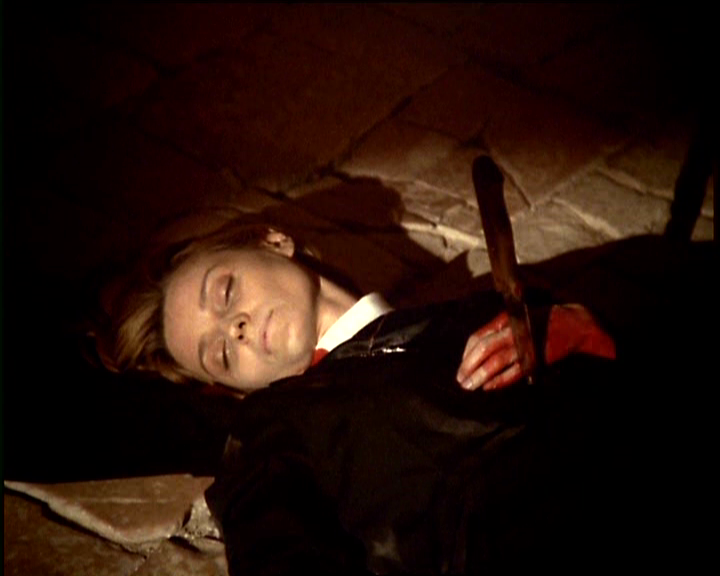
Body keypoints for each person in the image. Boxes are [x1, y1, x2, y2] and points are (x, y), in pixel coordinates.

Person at [96, 210, 710, 574]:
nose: (231, 328)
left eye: (224, 292)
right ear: (234, 389)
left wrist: (590, 329)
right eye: (220, 355)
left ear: (270, 239)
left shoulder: (479, 309)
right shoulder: (270, 436)